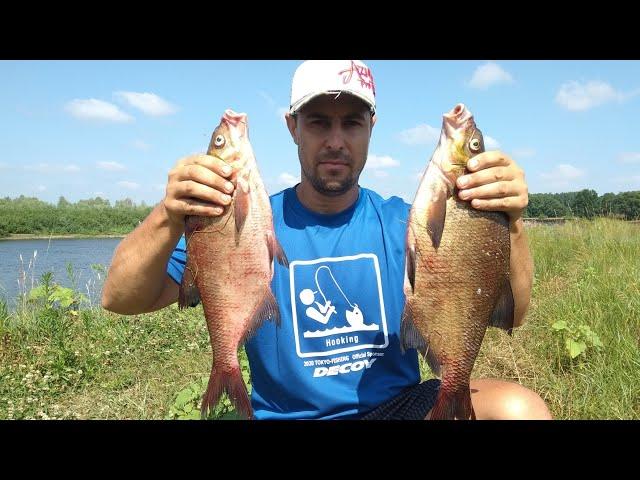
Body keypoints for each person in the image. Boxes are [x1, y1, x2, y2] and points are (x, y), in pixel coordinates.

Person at [102, 60, 552, 420]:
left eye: (351, 123)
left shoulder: (408, 222)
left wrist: (508, 221)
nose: (336, 141)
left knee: (522, 411)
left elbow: (515, 312)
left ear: (371, 127)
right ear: (292, 126)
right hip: (289, 416)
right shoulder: (240, 224)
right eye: (319, 123)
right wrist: (168, 215)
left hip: (399, 408)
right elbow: (119, 297)